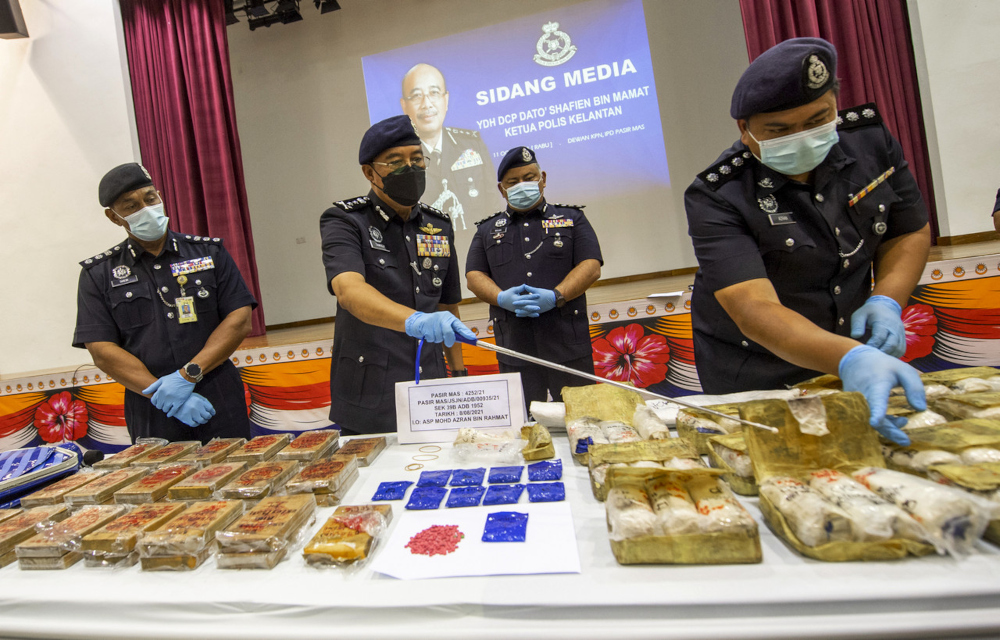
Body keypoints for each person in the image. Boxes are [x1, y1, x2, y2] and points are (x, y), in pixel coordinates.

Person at [685, 37, 932, 446]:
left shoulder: (870, 141)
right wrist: (849, 358)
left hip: (850, 344)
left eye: (818, 120)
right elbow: (753, 307)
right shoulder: (718, 193)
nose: (802, 136)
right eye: (779, 130)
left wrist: (887, 299)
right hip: (758, 364)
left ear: (836, 103)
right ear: (744, 130)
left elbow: (908, 229)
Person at [73, 163, 257, 443]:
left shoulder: (209, 252)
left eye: (150, 199)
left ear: (160, 196)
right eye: (131, 206)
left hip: (216, 393)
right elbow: (101, 350)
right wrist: (161, 392)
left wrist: (187, 376)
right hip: (151, 405)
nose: (146, 209)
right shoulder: (98, 274)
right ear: (114, 217)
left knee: (235, 475)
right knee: (159, 483)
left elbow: (239, 319)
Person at [320, 114, 475, 434]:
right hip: (370, 388)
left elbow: (446, 307)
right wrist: (415, 321)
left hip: (431, 384)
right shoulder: (346, 221)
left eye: (417, 159)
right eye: (396, 161)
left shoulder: (439, 226)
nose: (411, 168)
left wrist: (458, 375)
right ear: (370, 172)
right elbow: (349, 290)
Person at [466, 146, 603, 408]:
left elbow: (591, 265)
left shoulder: (572, 219)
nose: (523, 185)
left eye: (529, 177)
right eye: (513, 182)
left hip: (567, 344)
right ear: (501, 189)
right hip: (514, 346)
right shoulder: (486, 230)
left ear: (543, 178)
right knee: (524, 426)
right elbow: (474, 276)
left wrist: (557, 295)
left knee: (585, 419)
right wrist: (500, 298)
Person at [400, 63, 499, 242]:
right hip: (429, 252)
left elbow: (493, 202)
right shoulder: (399, 158)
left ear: (446, 100)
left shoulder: (472, 144)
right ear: (404, 106)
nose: (426, 104)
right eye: (416, 96)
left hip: (479, 246)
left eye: (434, 93)